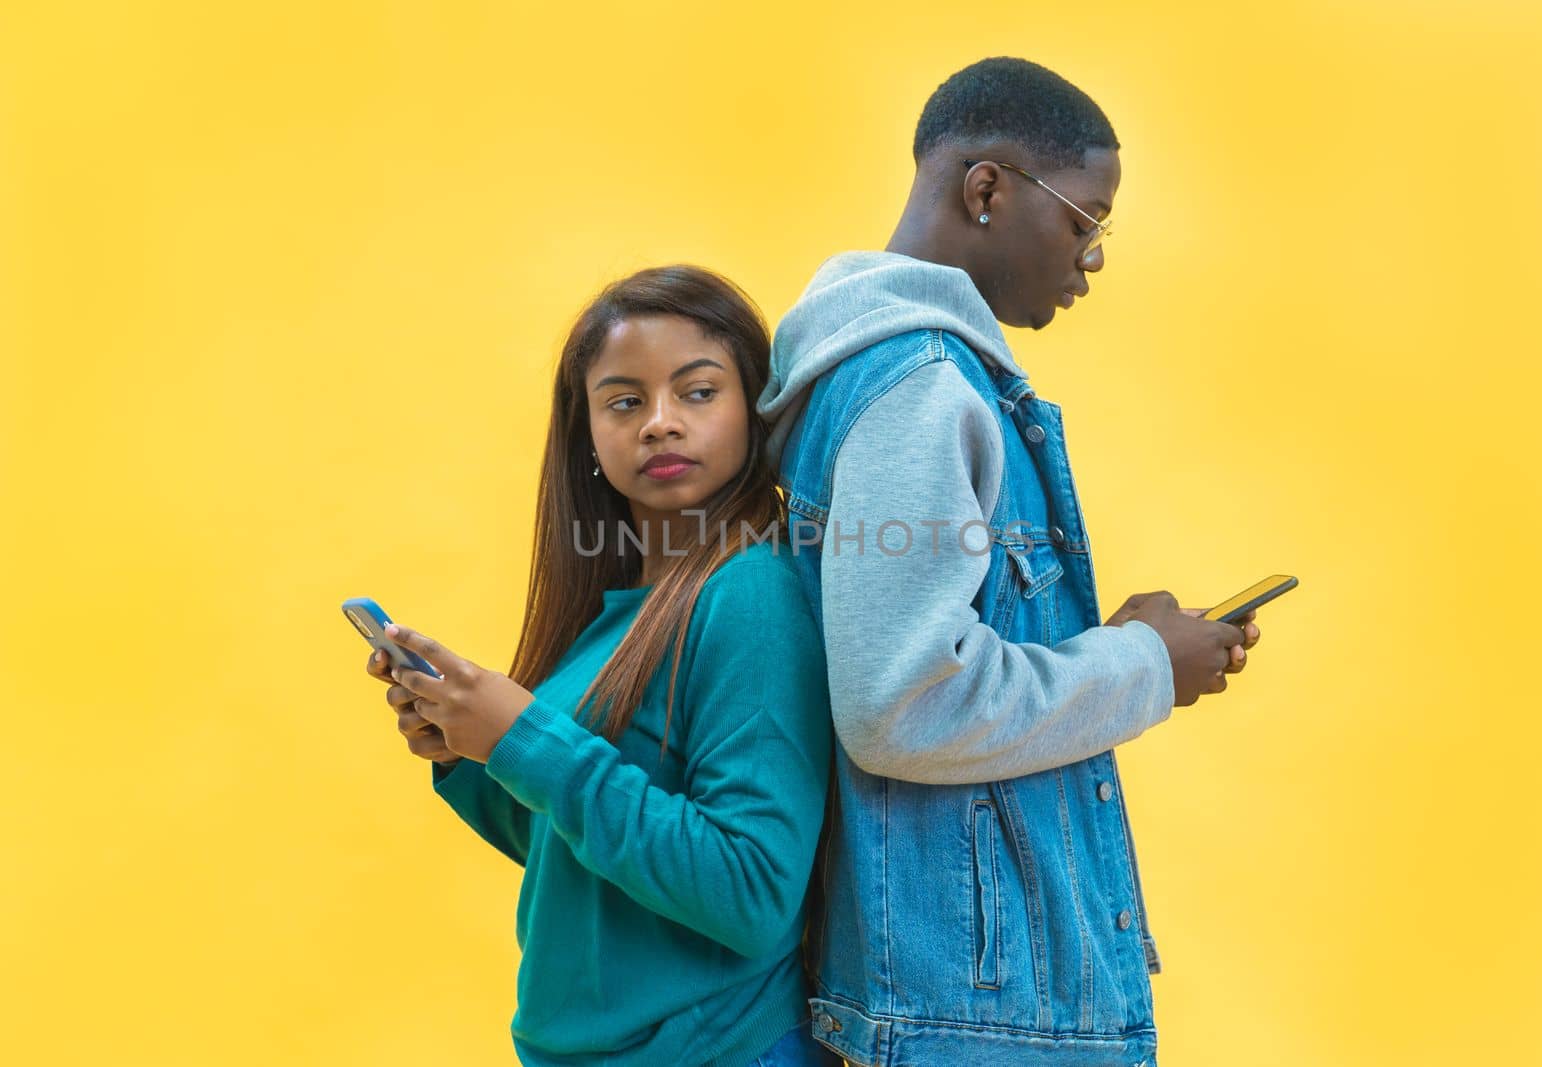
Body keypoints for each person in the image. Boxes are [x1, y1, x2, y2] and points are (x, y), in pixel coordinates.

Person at [756, 58, 1263, 1067]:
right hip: (972, 1017)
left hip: (954, 1000)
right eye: (1083, 222)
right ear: (985, 189)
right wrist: (1142, 667)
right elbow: (901, 699)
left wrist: (1118, 642)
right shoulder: (920, 388)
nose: (1092, 259)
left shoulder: (876, 371)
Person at [363, 265, 838, 1066]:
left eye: (697, 392)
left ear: (755, 412)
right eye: (624, 401)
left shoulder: (751, 591)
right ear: (586, 436)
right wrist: (476, 752)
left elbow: (751, 889)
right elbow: (595, 861)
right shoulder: (621, 609)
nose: (659, 423)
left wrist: (528, 739)